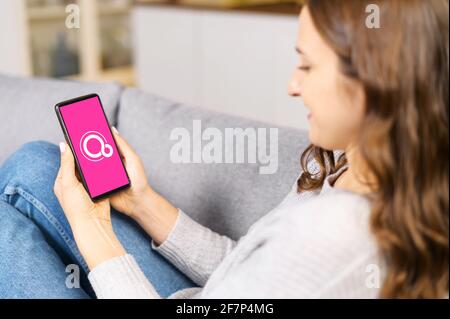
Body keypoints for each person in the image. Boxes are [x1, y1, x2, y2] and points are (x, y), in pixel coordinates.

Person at [0, 0, 448, 298]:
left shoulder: (337, 232)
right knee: (37, 162)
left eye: (307, 66)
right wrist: (143, 204)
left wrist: (92, 231)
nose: (293, 86)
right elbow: (246, 276)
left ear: (374, 82)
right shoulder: (350, 166)